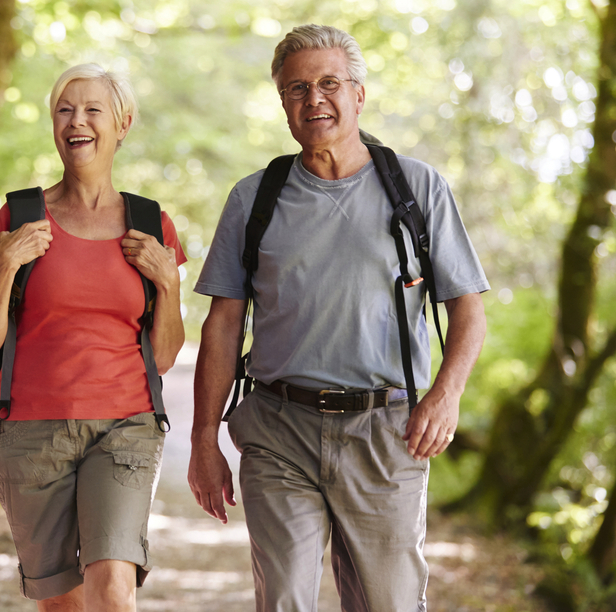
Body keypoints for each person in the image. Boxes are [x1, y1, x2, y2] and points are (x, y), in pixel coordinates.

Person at [187, 24, 489, 612]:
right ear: (282, 103)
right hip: (278, 428)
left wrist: (445, 395)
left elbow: (467, 308)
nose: (314, 100)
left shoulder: (416, 189)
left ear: (359, 94)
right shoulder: (254, 198)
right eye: (297, 89)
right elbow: (223, 324)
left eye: (329, 83)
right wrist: (203, 438)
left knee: (389, 603)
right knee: (285, 601)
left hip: (386, 431)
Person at [0, 64, 186, 612]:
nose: (77, 121)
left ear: (122, 123)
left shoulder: (150, 224)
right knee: (62, 602)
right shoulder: (19, 218)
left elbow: (163, 356)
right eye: (65, 110)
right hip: (31, 431)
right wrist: (7, 263)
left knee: (113, 583)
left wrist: (170, 284)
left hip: (126, 426)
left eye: (93, 110)